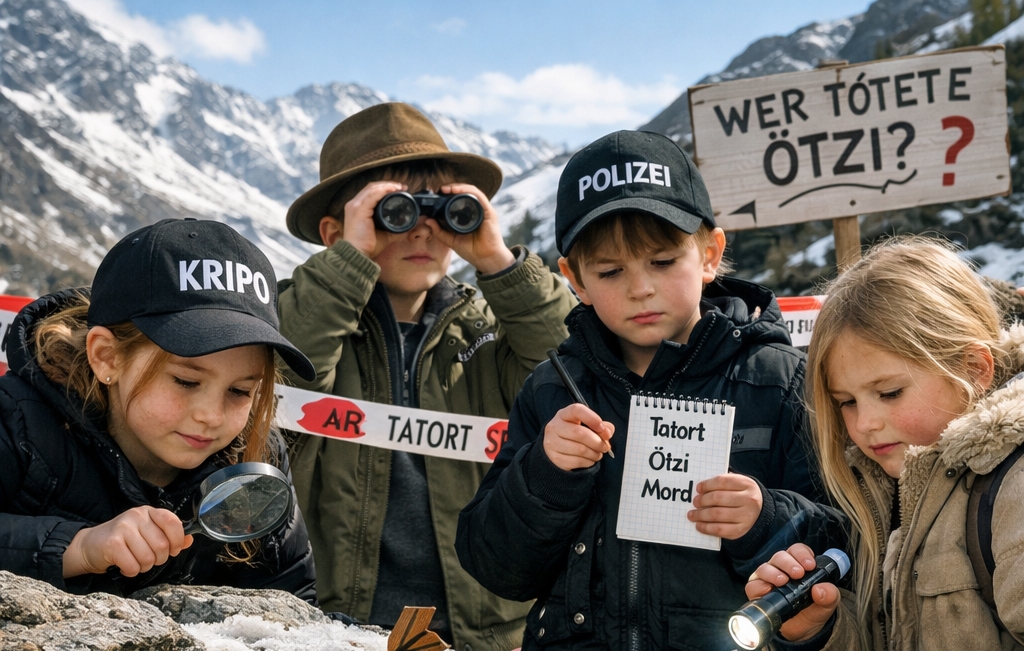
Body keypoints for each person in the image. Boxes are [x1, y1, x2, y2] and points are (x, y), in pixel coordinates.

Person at [454, 129, 847, 651]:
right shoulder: (553, 389)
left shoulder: (779, 380)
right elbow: (496, 568)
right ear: (575, 280)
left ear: (710, 253)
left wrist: (765, 518)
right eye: (611, 271)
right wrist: (545, 475)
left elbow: (847, 542)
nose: (640, 288)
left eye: (662, 262)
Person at [277, 102, 576, 648]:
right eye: (393, 212)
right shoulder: (304, 315)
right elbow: (285, 382)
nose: (422, 232)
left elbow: (572, 371)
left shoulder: (489, 332)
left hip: (482, 632)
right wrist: (351, 261)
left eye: (440, 210)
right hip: (335, 628)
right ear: (334, 231)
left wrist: (498, 262)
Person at [0, 218, 319, 603]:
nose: (212, 416)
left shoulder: (255, 456)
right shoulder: (16, 420)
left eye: (240, 391)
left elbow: (291, 597)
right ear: (106, 357)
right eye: (186, 381)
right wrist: (78, 548)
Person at [744, 236, 1024, 650]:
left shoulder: (1013, 485)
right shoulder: (874, 486)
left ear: (974, 369)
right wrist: (815, 632)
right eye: (846, 402)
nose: (866, 423)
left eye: (890, 393)